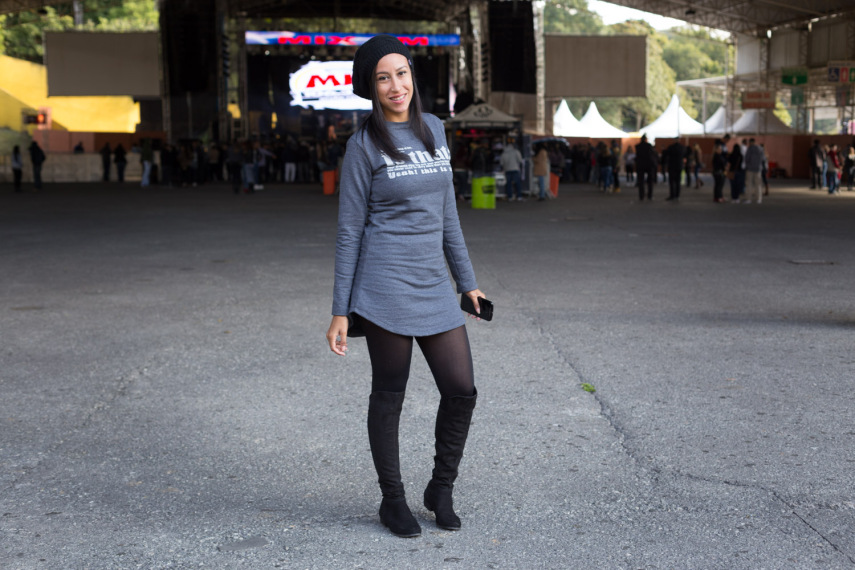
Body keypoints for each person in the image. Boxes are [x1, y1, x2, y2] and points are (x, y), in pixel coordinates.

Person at [325, 35, 484, 539]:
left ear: (413, 75)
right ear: (369, 87)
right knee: (389, 395)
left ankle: (441, 488)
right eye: (383, 77)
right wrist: (341, 310)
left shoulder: (435, 128)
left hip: (434, 285)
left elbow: (448, 214)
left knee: (461, 389)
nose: (396, 86)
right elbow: (350, 229)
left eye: (402, 73)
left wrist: (468, 283)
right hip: (384, 286)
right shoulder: (363, 145)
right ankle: (392, 500)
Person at [634, 134, 656, 201]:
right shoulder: (649, 146)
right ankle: (649, 195)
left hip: (640, 165)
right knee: (650, 182)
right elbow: (652, 154)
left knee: (641, 181)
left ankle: (641, 196)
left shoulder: (638, 146)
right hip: (649, 165)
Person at [743, 138, 765, 204]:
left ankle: (749, 199)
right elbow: (763, 158)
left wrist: (748, 165)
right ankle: (759, 199)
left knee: (749, 184)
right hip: (758, 169)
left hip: (750, 169)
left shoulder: (749, 149)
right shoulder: (760, 148)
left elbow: (747, 158)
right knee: (758, 184)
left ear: (750, 142)